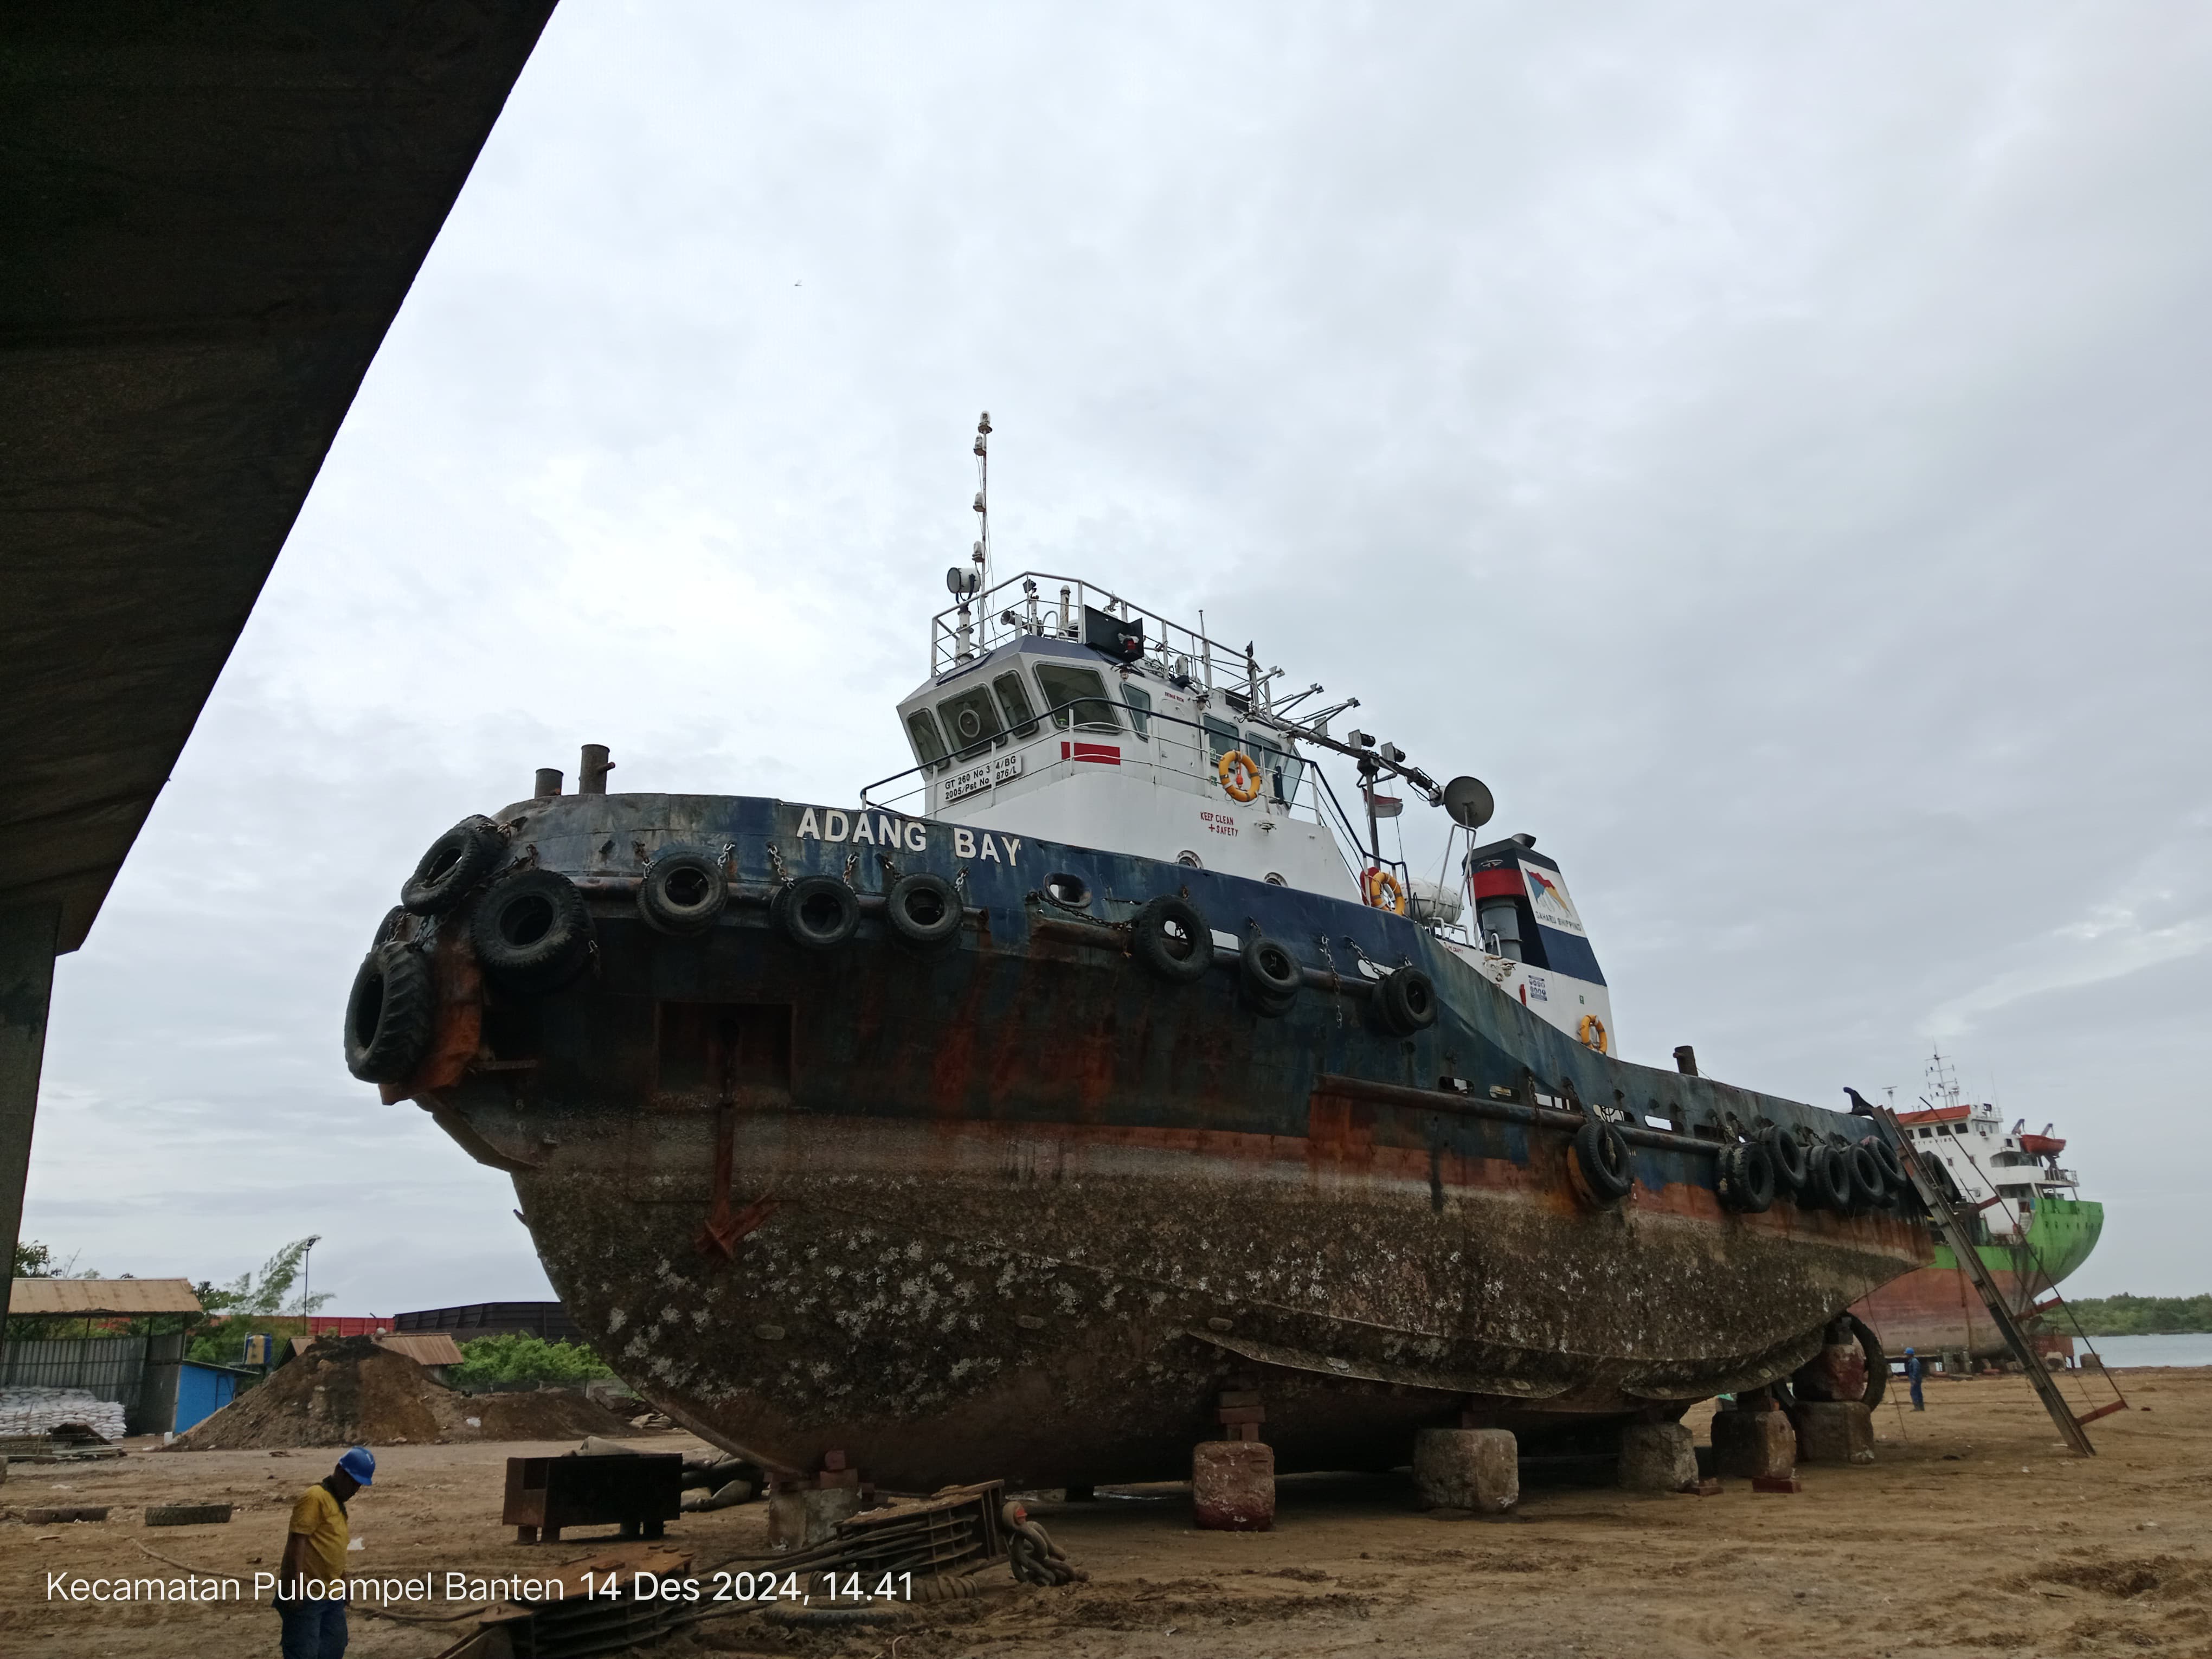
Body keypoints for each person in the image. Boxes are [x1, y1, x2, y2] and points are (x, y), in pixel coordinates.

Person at [276, 1445, 373, 1658]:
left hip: (332, 1594)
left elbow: (333, 1548)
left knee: (334, 1647)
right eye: (352, 1482)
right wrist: (296, 1586)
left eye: (358, 1486)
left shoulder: (337, 1506)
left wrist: (344, 1581)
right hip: (307, 1595)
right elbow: (297, 1542)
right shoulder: (315, 1497)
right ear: (339, 1470)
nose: (354, 1490)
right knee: (304, 1651)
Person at [1905, 1347, 1925, 1411]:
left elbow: (1916, 1370)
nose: (1906, 1356)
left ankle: (1917, 1407)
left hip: (1916, 1380)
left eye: (1907, 1354)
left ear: (1910, 1355)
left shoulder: (1914, 1362)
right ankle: (1921, 1407)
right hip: (1917, 1379)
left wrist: (1913, 1379)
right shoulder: (1913, 1361)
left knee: (1913, 1392)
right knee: (1918, 1392)